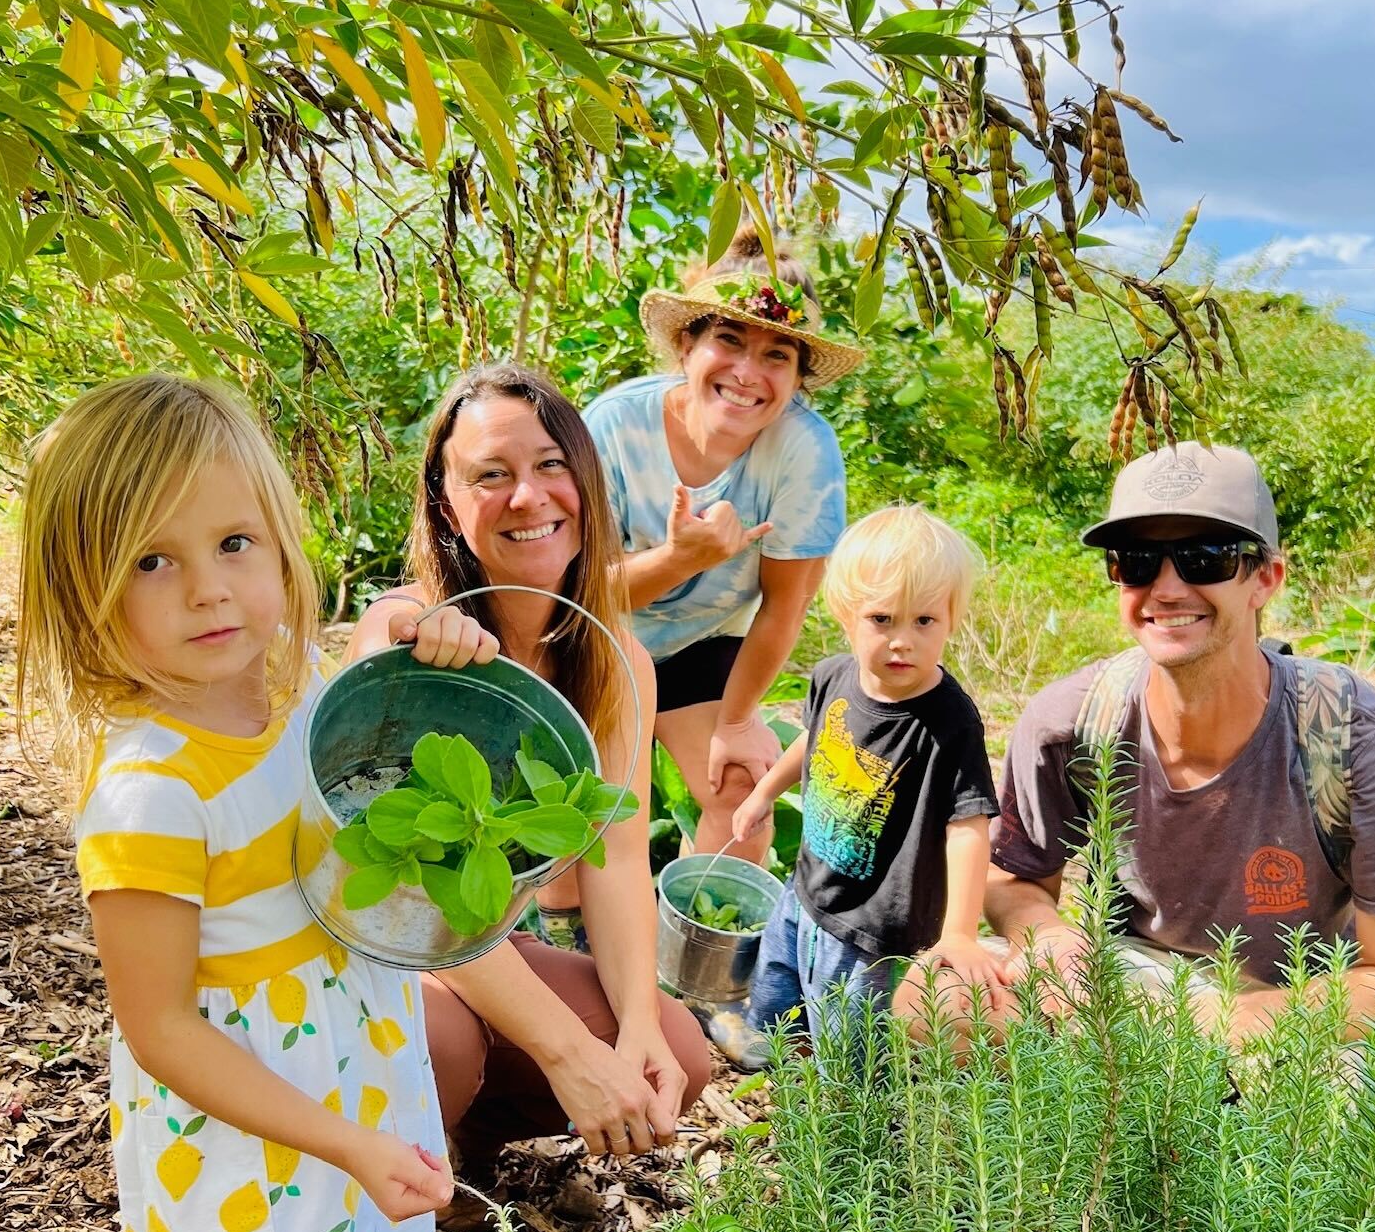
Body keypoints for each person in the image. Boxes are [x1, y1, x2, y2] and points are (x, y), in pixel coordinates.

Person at [12, 373, 448, 1232]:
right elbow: (160, 1027)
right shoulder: (149, 791)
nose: (205, 589)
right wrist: (349, 1139)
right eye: (151, 560)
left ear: (277, 542)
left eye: (231, 544)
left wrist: (433, 643)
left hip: (316, 1115)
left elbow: (376, 666)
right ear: (88, 591)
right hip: (249, 1144)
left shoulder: (290, 691)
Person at [956, 442, 1375, 1051]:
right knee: (932, 1000)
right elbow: (1009, 877)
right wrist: (1045, 936)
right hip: (1131, 976)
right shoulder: (1072, 722)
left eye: (1205, 558)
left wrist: (1199, 1031)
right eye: (1138, 560)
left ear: (1265, 580)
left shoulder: (1361, 741)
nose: (1167, 588)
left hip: (1301, 1012)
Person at [344, 363, 716, 1164]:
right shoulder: (408, 631)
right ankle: (393, 1163)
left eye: (551, 465)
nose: (528, 496)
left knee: (679, 1054)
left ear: (585, 479)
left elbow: (616, 857)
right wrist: (567, 1053)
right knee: (439, 1043)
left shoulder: (617, 664)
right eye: (491, 475)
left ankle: (461, 1139)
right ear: (446, 503)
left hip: (494, 945)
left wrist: (641, 1024)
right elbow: (406, 905)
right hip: (371, 952)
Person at [579, 231, 864, 860]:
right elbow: (577, 594)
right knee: (587, 812)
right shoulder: (613, 426)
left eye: (776, 356)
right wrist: (684, 558)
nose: (747, 373)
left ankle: (697, 948)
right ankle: (571, 943)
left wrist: (736, 723)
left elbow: (784, 607)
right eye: (728, 341)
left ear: (797, 379)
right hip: (597, 635)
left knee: (742, 794)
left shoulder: (804, 451)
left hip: (700, 640)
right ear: (687, 346)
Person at [725, 505, 1016, 1068]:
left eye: (923, 621)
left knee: (851, 1035)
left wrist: (959, 932)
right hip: (809, 885)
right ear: (847, 616)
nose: (901, 641)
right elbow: (811, 738)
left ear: (952, 620)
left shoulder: (950, 722)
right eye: (882, 620)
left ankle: (847, 1119)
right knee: (776, 980)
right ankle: (766, 1057)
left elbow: (969, 827)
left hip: (875, 923)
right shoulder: (834, 675)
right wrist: (764, 793)